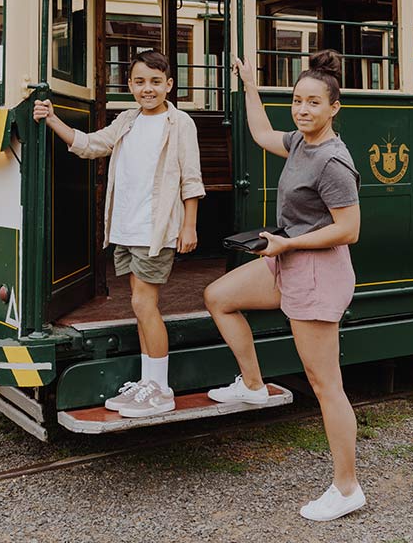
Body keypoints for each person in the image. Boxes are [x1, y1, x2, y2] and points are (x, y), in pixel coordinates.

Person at [204, 50, 365, 522]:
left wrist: (287, 244)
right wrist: (250, 86)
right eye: (297, 101)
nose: (302, 109)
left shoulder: (332, 161)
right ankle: (254, 385)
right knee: (219, 297)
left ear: (334, 107)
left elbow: (349, 229)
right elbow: (260, 133)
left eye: (313, 102)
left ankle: (347, 488)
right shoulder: (300, 143)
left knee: (325, 384)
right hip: (286, 259)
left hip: (315, 271)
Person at [33, 50, 205, 418]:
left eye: (155, 82)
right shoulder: (126, 120)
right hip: (127, 228)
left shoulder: (180, 123)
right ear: (129, 85)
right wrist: (52, 119)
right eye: (140, 82)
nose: (147, 89)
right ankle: (148, 382)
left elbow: (191, 178)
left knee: (144, 305)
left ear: (169, 85)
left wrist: (189, 225)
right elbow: (91, 145)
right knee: (139, 306)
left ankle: (160, 389)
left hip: (155, 230)